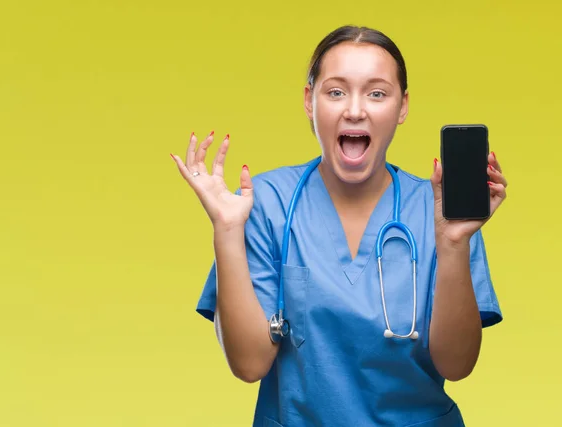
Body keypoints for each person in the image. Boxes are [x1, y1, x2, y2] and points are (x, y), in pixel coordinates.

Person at [171, 25, 507, 427]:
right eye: (335, 91)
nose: (354, 109)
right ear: (309, 101)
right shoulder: (262, 203)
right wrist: (226, 229)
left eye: (377, 93)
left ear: (402, 107)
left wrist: (453, 244)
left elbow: (457, 364)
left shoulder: (439, 212)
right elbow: (248, 365)